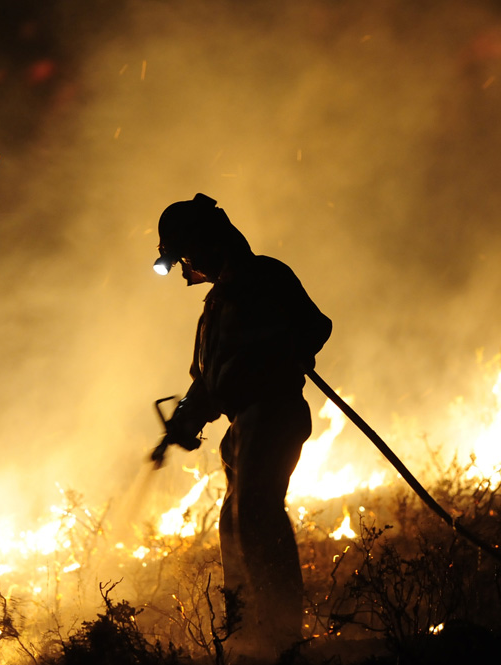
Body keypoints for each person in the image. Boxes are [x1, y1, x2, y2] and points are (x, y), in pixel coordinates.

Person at [151, 193, 332, 661]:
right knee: (233, 524)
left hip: (274, 413)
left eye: (187, 254)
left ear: (208, 242)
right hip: (242, 427)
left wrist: (284, 349)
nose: (188, 266)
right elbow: (208, 381)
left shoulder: (266, 277)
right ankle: (246, 632)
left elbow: (317, 325)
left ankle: (284, 634)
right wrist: (184, 420)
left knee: (256, 511)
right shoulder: (216, 306)